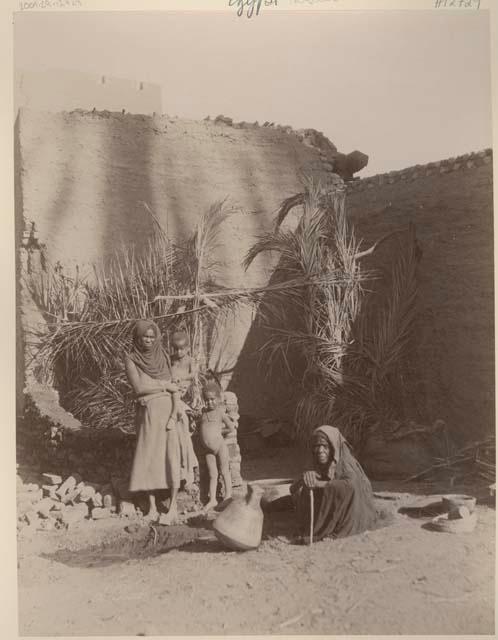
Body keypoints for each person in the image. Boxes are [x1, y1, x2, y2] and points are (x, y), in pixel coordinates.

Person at [124, 319, 189, 525]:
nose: (149, 340)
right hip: (149, 414)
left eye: (152, 337)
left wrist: (168, 389)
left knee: (171, 456)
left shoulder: (162, 355)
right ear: (138, 337)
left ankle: (172, 508)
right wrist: (164, 386)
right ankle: (152, 508)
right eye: (145, 336)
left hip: (169, 412)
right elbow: (139, 387)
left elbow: (174, 384)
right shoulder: (131, 358)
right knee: (150, 457)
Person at [290, 425, 377, 542]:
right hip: (327, 506)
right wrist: (306, 477)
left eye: (325, 446)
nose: (320, 450)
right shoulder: (314, 460)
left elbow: (351, 486)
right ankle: (313, 525)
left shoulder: (345, 462)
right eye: (317, 446)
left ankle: (333, 528)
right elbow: (293, 488)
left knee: (342, 488)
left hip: (350, 510)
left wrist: (320, 484)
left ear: (333, 447)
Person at [199, 380, 236, 511]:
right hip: (208, 451)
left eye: (212, 399)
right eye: (207, 400)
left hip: (220, 446)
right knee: (212, 474)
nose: (209, 402)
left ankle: (228, 496)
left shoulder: (220, 412)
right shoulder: (203, 414)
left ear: (218, 398)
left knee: (225, 471)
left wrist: (220, 433)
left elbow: (231, 427)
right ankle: (212, 499)